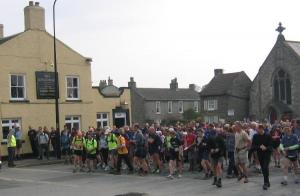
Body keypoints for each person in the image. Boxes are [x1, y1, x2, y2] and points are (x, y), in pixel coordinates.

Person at [252, 124, 273, 190]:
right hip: (260, 154)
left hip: (267, 154)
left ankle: (265, 183)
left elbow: (271, 145)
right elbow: (253, 146)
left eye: (257, 129)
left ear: (261, 129)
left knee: (265, 167)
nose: (256, 130)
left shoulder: (268, 135)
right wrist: (259, 147)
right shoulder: (255, 136)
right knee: (264, 169)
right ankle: (267, 181)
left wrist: (266, 148)